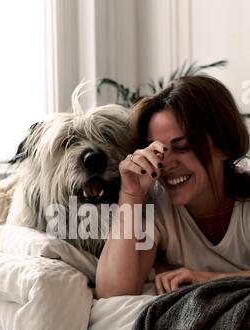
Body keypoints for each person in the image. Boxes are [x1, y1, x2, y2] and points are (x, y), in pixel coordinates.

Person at [95, 75, 250, 298]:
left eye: (182, 147)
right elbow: (113, 292)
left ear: (223, 147)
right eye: (157, 150)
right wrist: (131, 194)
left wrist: (208, 279)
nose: (166, 164)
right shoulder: (157, 206)